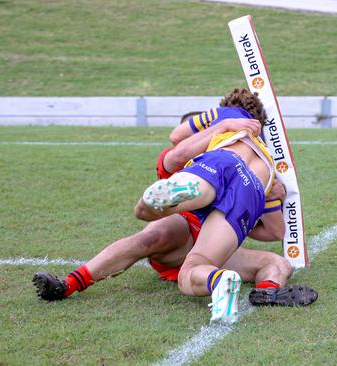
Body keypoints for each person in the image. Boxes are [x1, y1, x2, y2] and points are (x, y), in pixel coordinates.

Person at [32, 89, 317, 317]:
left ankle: (254, 287)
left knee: (149, 218)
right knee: (271, 261)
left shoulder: (219, 130)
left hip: (203, 210)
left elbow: (174, 154)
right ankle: (251, 285)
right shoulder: (256, 150)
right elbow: (274, 231)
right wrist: (271, 196)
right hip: (233, 204)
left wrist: (222, 127)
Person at [133, 89, 316, 324]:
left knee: (145, 212)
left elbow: (176, 135)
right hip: (255, 186)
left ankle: (181, 191)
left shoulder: (227, 114)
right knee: (197, 264)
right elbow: (276, 232)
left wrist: (221, 124)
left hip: (223, 161)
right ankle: (235, 283)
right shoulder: (266, 155)